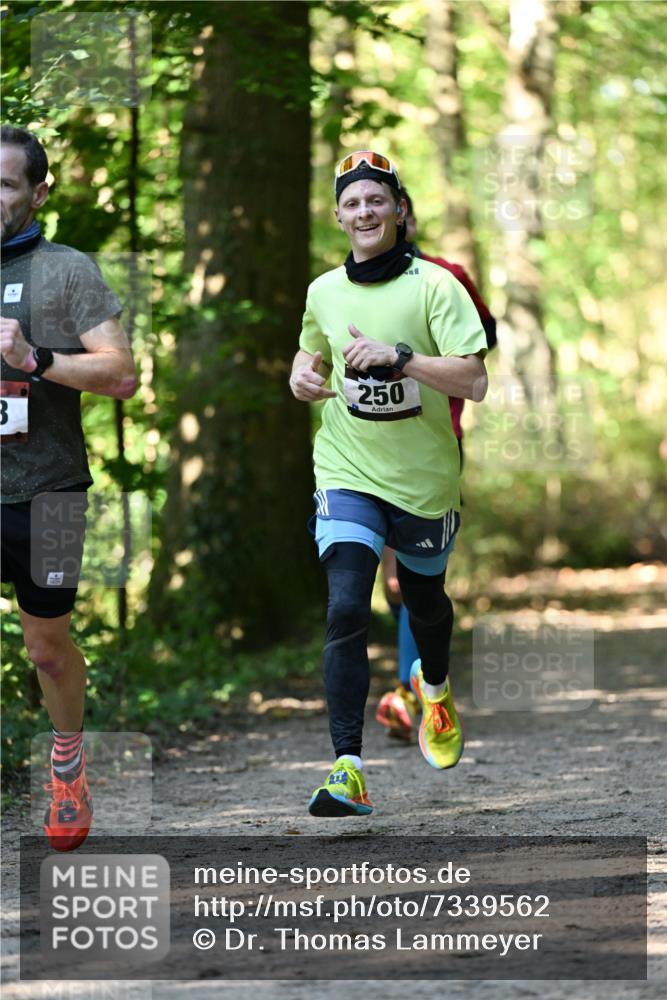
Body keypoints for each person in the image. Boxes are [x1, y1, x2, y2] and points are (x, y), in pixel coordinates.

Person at [290, 150, 488, 816]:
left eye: (376, 200)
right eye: (352, 203)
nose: (364, 212)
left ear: (398, 210)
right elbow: (309, 348)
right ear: (339, 216)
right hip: (347, 469)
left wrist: (399, 357)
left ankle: (433, 688)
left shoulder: (436, 285)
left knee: (423, 602)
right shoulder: (323, 290)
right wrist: (301, 375)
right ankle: (346, 767)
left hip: (423, 479)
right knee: (347, 606)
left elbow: (474, 380)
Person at [1, 126, 137, 850]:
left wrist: (34, 357)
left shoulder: (67, 271)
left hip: (49, 490)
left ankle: (66, 762)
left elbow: (121, 374)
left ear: (38, 191)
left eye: (4, 184)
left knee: (48, 649)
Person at [376, 187, 497, 743]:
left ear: (407, 216)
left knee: (412, 575)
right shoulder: (346, 283)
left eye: (390, 206)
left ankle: (412, 689)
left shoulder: (447, 275)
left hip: (433, 439)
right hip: (367, 447)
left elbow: (483, 341)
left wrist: (414, 353)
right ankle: (412, 683)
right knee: (390, 578)